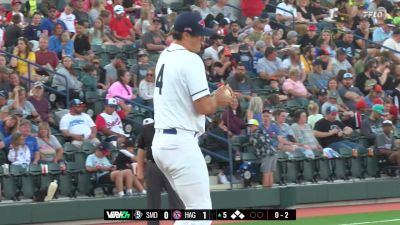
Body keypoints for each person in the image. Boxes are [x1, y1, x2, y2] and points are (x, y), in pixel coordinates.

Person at [152, 12, 232, 222]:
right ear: (186, 35)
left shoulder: (166, 54)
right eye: (199, 35)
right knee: (200, 213)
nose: (203, 39)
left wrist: (213, 96)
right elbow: (205, 107)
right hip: (180, 143)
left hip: (163, 142)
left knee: (191, 211)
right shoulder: (190, 59)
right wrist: (219, 99)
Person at [136, 119, 183, 225]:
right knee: (153, 200)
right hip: (153, 165)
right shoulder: (148, 129)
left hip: (171, 165)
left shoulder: (173, 125)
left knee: (176, 198)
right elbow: (141, 148)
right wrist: (139, 169)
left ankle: (180, 223)